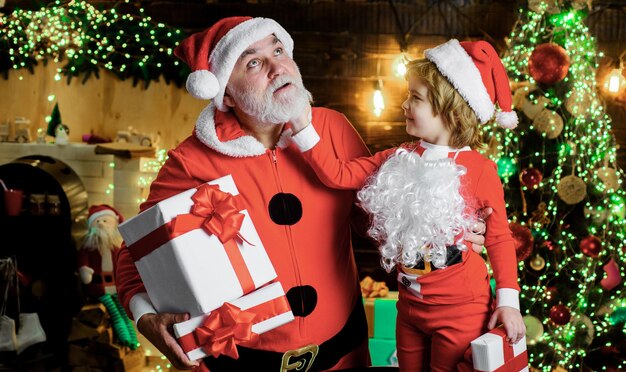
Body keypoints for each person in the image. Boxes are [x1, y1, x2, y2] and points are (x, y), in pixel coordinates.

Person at [114, 17, 487, 371]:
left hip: (344, 356)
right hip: (242, 366)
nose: (277, 68)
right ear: (225, 91)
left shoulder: (334, 129)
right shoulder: (190, 160)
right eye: (255, 63)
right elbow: (135, 252)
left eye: (278, 51)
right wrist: (144, 314)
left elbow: (380, 219)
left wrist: (449, 226)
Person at [289, 39, 526, 371]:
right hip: (409, 305)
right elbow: (338, 175)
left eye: (415, 97)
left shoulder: (481, 170)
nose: (403, 104)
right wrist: (303, 127)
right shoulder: (396, 157)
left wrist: (509, 303)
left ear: (449, 109)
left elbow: (500, 238)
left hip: (461, 309)